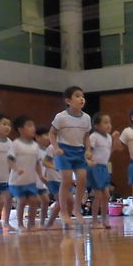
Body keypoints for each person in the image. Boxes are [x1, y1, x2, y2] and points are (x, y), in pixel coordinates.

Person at [51, 85, 91, 228]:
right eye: (77, 96)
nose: (81, 99)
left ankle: (77, 208)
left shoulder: (86, 118)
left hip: (79, 151)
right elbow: (52, 133)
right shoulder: (61, 117)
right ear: (68, 101)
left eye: (82, 96)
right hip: (64, 150)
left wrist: (88, 150)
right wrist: (56, 147)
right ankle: (63, 212)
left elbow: (86, 136)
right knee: (67, 179)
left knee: (82, 178)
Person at [6, 116, 45, 231]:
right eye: (29, 126)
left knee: (34, 200)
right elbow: (9, 160)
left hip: (31, 181)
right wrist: (16, 169)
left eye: (33, 126)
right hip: (17, 181)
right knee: (22, 201)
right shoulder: (16, 144)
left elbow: (37, 163)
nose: (33, 128)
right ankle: (20, 224)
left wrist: (41, 175)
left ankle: (31, 224)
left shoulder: (35, 146)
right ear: (21, 129)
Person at [86, 112, 115, 229]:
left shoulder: (109, 137)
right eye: (105, 122)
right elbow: (88, 151)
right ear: (97, 126)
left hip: (104, 167)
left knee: (106, 195)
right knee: (98, 194)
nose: (109, 125)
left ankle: (104, 220)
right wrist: (89, 161)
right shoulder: (94, 136)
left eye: (109, 122)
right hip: (95, 167)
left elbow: (108, 152)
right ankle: (94, 221)